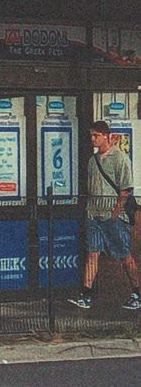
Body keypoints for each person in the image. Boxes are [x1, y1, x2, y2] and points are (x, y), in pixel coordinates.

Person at [70, 121, 141, 313]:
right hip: (94, 214)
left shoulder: (120, 158)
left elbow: (126, 188)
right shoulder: (92, 161)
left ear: (106, 136)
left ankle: (136, 292)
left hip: (112, 216)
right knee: (92, 253)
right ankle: (86, 294)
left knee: (124, 255)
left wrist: (115, 212)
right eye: (91, 135)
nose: (93, 139)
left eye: (96, 135)